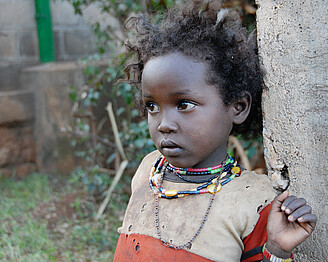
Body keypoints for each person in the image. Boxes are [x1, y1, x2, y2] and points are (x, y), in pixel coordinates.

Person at [113, 1, 317, 261]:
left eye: (183, 104)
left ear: (238, 107)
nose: (164, 123)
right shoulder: (148, 170)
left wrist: (276, 248)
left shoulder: (253, 200)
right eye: (152, 105)